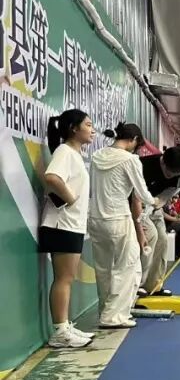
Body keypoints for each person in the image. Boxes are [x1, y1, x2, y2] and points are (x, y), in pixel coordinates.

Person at [88, 122, 156, 329]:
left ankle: (105, 311)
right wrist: (155, 202)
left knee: (104, 270)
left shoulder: (97, 156)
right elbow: (141, 192)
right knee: (128, 268)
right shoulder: (130, 160)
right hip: (118, 218)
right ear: (133, 140)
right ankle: (114, 316)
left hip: (95, 218)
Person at [40, 109, 96, 348]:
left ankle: (64, 326)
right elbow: (52, 177)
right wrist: (71, 199)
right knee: (64, 279)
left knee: (67, 278)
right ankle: (60, 332)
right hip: (61, 224)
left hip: (71, 225)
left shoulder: (74, 155)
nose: (93, 130)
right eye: (88, 125)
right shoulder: (64, 151)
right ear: (74, 128)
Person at [138, 146, 180, 297]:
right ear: (163, 162)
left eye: (176, 172)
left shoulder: (177, 171)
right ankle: (137, 286)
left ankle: (154, 286)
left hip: (156, 208)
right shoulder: (144, 165)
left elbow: (167, 194)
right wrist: (144, 207)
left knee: (163, 240)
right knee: (151, 237)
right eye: (170, 171)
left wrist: (158, 203)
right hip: (138, 207)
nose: (172, 175)